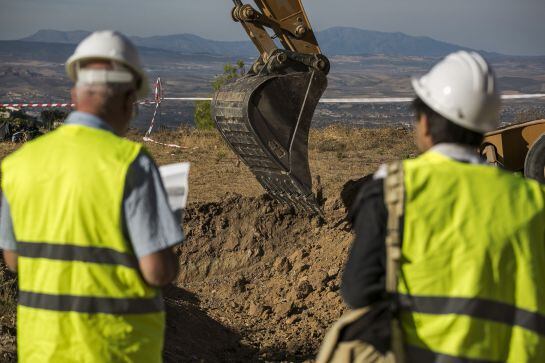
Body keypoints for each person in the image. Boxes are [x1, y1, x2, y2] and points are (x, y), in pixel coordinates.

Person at [341, 51, 545, 361]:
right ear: (484, 128)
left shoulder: (394, 189)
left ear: (424, 123)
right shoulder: (532, 200)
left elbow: (357, 291)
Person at [0, 31, 184, 362]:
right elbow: (158, 271)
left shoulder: (18, 165)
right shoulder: (130, 164)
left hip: (42, 348)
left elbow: (13, 260)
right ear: (129, 99)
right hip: (115, 350)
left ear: (75, 93)